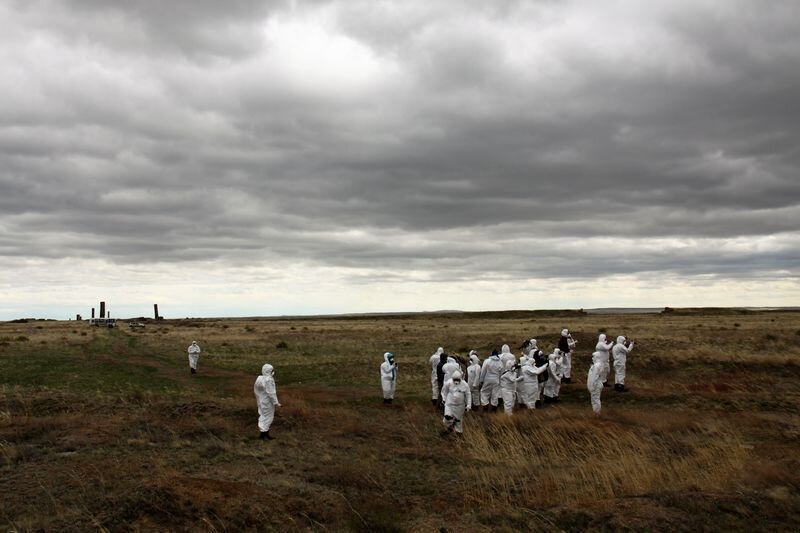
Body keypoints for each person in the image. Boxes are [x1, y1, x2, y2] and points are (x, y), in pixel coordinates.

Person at [254, 363, 281, 440]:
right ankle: (265, 435)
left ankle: (263, 434)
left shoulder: (259, 378)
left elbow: (256, 390)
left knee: (263, 416)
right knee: (268, 417)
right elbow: (271, 392)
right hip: (268, 402)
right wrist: (276, 402)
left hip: (261, 400)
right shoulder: (269, 380)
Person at [441, 370, 471, 434]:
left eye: (457, 379)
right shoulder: (448, 383)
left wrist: (468, 405)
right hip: (449, 404)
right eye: (455, 379)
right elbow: (444, 391)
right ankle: (450, 427)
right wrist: (444, 399)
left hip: (460, 406)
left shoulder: (465, 384)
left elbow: (468, 394)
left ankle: (458, 433)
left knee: (458, 420)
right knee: (447, 417)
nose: (456, 381)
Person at [529, 341, 549, 408]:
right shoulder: (538, 352)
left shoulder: (528, 352)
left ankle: (535, 401)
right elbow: (543, 360)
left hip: (531, 370)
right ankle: (537, 401)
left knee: (536, 386)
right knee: (540, 385)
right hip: (539, 369)